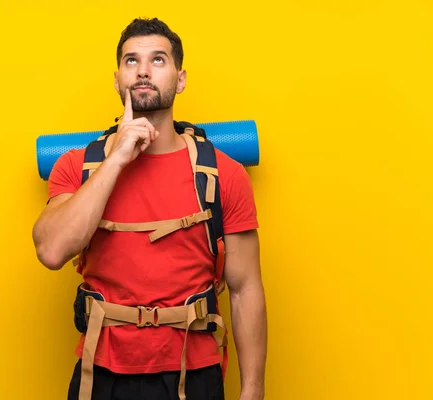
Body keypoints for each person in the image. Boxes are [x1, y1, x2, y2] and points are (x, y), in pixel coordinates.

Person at [32, 17, 267, 400]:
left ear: (180, 78)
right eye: (131, 61)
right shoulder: (77, 166)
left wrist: (253, 391)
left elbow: (245, 290)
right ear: (117, 79)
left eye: (158, 60)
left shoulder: (224, 173)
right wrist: (117, 158)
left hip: (195, 374)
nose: (143, 70)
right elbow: (51, 251)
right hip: (101, 374)